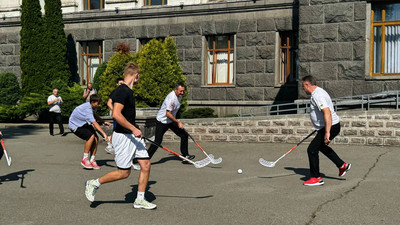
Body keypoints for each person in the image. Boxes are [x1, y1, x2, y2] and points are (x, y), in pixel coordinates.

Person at [85, 62, 156, 209]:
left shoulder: (125, 91)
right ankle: (94, 183)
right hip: (124, 137)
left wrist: (134, 128)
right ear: (136, 75)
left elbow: (122, 114)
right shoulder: (123, 91)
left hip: (132, 135)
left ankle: (140, 199)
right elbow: (116, 114)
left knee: (145, 164)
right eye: (139, 75)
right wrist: (133, 129)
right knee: (124, 173)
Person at [301, 75, 351, 186]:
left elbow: (327, 112)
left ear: (307, 84)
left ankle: (316, 178)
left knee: (312, 150)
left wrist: (327, 132)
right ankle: (342, 165)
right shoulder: (319, 91)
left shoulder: (317, 95)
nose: (303, 89)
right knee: (321, 147)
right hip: (329, 126)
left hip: (331, 126)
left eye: (303, 86)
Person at [147, 82, 195, 160]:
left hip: (170, 121)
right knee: (157, 142)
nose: (182, 93)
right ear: (175, 90)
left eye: (183, 91)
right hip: (162, 121)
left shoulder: (179, 96)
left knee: (184, 135)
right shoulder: (171, 98)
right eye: (180, 91)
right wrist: (178, 122)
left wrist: (175, 121)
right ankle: (144, 159)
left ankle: (185, 155)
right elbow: (168, 114)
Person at [69, 94, 110, 170]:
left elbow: (94, 115)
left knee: (96, 138)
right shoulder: (87, 109)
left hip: (83, 123)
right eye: (98, 103)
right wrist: (104, 134)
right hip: (75, 125)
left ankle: (92, 159)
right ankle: (85, 159)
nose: (99, 105)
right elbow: (94, 123)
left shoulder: (92, 107)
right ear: (93, 102)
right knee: (90, 136)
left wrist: (103, 121)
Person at [105, 77, 124, 154]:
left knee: (120, 129)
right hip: (117, 115)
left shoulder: (124, 92)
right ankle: (110, 144)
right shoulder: (115, 92)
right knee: (116, 129)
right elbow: (109, 103)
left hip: (123, 114)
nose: (121, 85)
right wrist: (115, 111)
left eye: (123, 83)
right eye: (120, 84)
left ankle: (116, 145)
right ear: (117, 84)